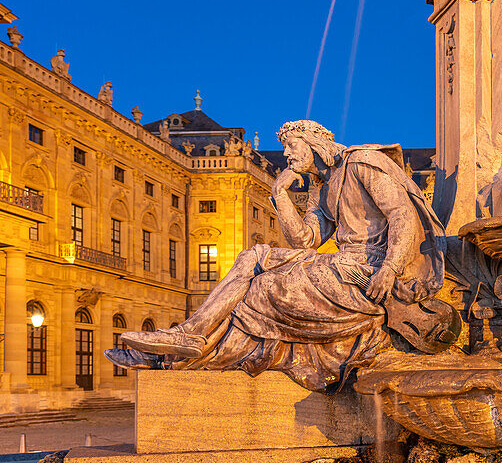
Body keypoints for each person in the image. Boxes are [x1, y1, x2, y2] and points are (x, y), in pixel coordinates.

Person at [106, 120, 455, 392]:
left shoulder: (362, 162)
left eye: (290, 146)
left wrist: (390, 269)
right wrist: (279, 192)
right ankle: (184, 341)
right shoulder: (322, 186)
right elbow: (305, 240)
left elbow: (402, 215)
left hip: (372, 269)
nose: (286, 155)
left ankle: (177, 350)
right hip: (343, 267)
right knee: (252, 259)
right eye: (284, 149)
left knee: (259, 290)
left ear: (313, 141)